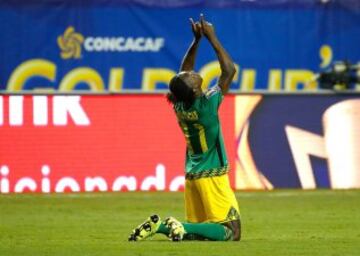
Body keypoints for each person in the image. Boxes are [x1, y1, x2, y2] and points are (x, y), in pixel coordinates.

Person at [128, 14, 241, 242]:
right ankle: (177, 224)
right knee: (231, 232)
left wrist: (195, 41)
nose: (190, 73)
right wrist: (212, 37)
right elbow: (229, 71)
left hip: (192, 174)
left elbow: (182, 74)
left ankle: (159, 226)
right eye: (190, 77)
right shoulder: (207, 107)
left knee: (196, 233)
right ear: (195, 90)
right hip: (212, 174)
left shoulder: (179, 104)